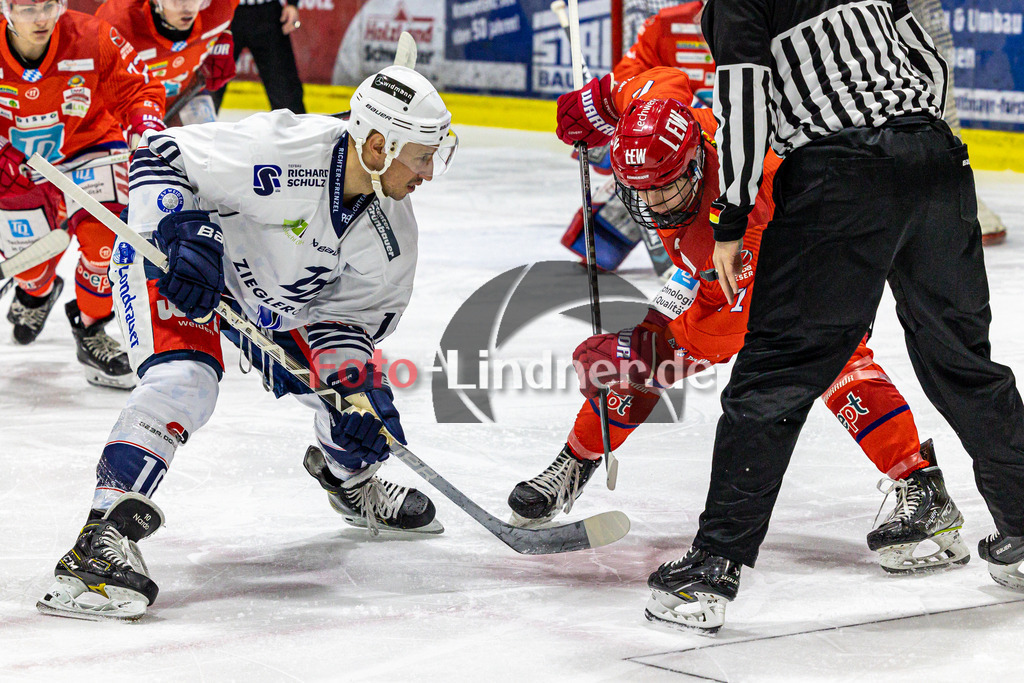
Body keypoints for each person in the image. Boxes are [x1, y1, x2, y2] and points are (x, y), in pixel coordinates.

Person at [638, 0, 1024, 632]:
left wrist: (729, 220)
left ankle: (711, 570)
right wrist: (915, 139)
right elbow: (927, 61)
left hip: (841, 175)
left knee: (774, 374)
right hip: (937, 162)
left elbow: (745, 107)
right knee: (964, 365)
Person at [35, 64, 458, 621]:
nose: (429, 171)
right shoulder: (284, 149)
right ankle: (99, 541)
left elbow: (345, 322)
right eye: (423, 155)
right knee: (185, 380)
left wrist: (350, 386)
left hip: (270, 306)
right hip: (179, 266)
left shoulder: (392, 236)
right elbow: (161, 154)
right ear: (379, 144)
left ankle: (348, 481)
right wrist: (183, 229)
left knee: (358, 407)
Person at [518, 66, 968, 583]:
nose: (652, 204)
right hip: (735, 258)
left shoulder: (728, 221)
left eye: (665, 188)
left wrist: (635, 353)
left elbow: (720, 334)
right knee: (641, 349)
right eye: (638, 189)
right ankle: (576, 459)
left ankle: (923, 487)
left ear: (694, 163)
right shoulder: (670, 121)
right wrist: (598, 102)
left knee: (830, 359)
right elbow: (659, 78)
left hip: (814, 250)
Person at [0, 0, 166, 388]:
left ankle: (91, 328)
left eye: (48, 5)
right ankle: (37, 291)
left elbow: (139, 89)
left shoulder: (92, 37)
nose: (40, 18)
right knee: (29, 269)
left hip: (89, 147)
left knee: (106, 242)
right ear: (4, 9)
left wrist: (144, 125)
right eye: (26, 9)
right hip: (15, 166)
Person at [95, 0, 239, 127]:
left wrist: (223, 35)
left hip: (185, 98)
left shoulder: (219, 6)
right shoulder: (117, 24)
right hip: (128, 112)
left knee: (208, 150)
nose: (189, 7)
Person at [211, 0, 303, 114]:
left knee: (286, 95)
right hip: (223, 11)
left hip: (267, 14)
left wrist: (292, 4)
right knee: (207, 90)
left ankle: (292, 130)